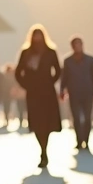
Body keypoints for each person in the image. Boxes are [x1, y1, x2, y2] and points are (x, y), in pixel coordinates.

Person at [15, 26, 63, 169]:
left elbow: (58, 70)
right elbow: (18, 72)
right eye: (35, 36)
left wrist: (50, 82)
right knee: (36, 123)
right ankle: (42, 150)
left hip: (47, 93)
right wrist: (27, 85)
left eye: (39, 35)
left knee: (47, 123)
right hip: (33, 93)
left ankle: (44, 151)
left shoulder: (50, 52)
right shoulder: (26, 53)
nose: (37, 39)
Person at [60, 37, 93, 150]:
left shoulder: (90, 60)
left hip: (88, 92)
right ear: (72, 46)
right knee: (76, 118)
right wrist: (62, 90)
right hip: (73, 93)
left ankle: (86, 140)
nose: (77, 46)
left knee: (88, 117)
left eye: (79, 44)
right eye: (75, 44)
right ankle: (79, 140)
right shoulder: (67, 61)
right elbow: (64, 77)